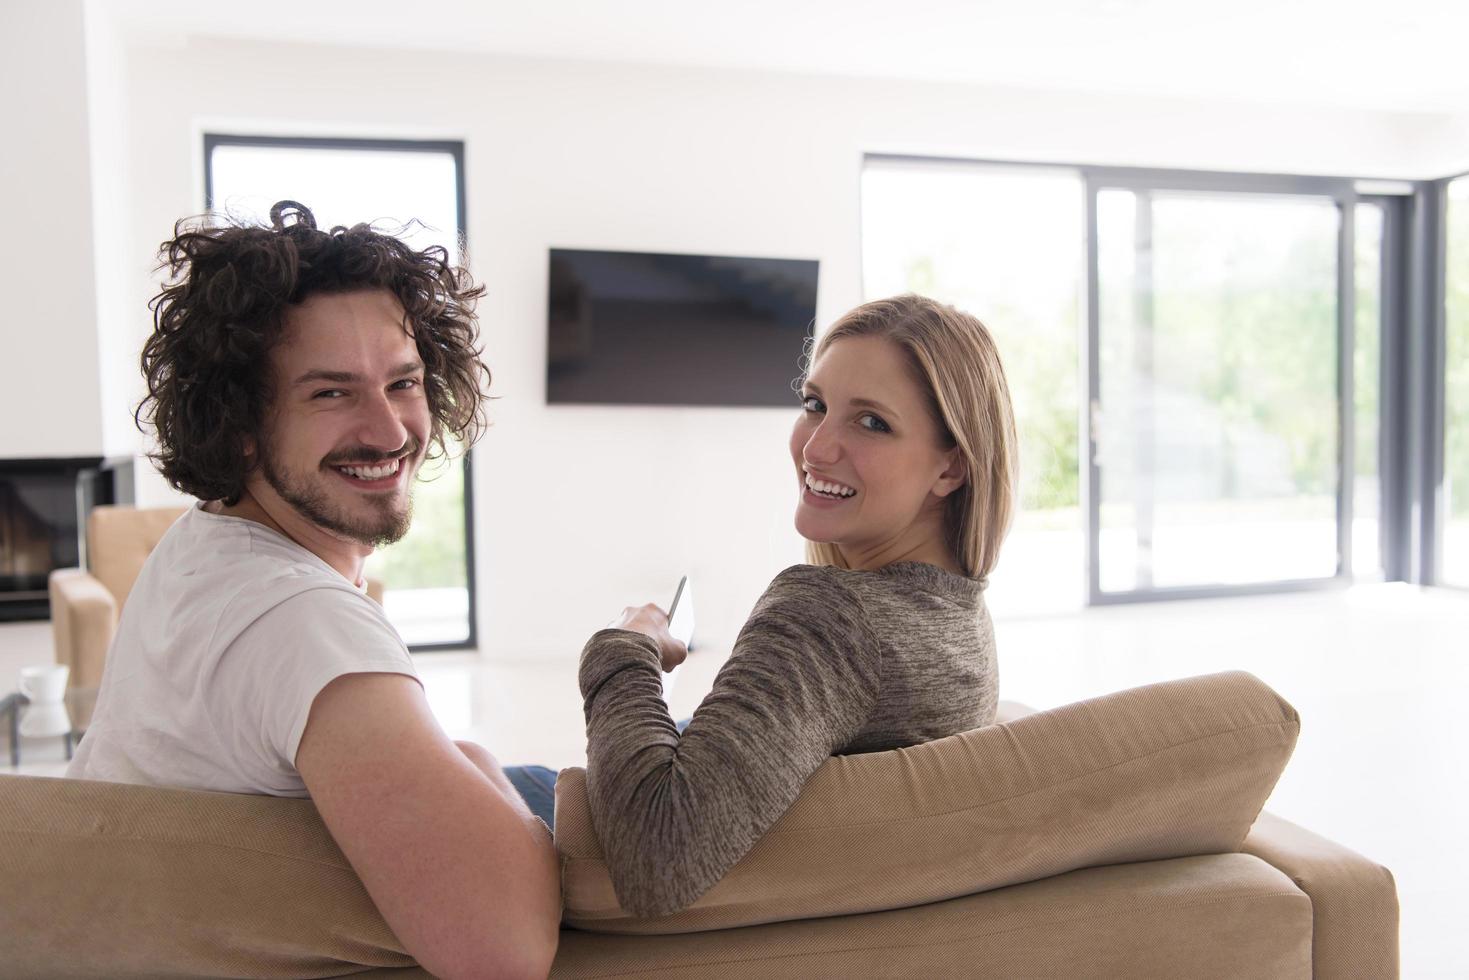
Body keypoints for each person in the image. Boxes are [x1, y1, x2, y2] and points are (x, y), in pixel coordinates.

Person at [67, 201, 560, 978]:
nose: (391, 430)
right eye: (331, 393)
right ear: (240, 424)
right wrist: (471, 758)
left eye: (403, 381)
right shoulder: (303, 623)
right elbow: (504, 953)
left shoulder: (203, 540)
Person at [579, 294, 1018, 916]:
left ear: (950, 468)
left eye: (872, 423)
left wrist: (622, 649)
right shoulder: (958, 613)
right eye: (816, 405)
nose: (816, 449)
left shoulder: (830, 616)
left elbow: (658, 855)